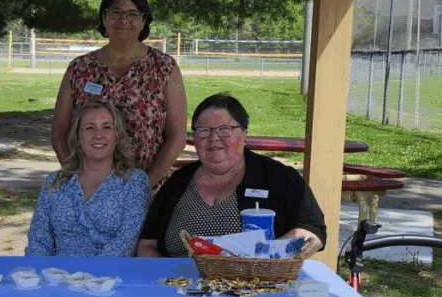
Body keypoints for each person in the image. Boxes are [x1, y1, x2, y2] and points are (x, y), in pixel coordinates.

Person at [137, 93, 326, 259]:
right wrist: (164, 278)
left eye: (225, 129)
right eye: (203, 131)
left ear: (244, 135)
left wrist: (268, 259)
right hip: (179, 284)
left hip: (255, 283)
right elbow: (147, 244)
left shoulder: (278, 177)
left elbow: (312, 232)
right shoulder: (178, 182)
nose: (214, 138)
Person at [51, 0, 186, 189]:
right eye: (116, 12)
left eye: (133, 14)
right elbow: (59, 135)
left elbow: (177, 138)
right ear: (104, 17)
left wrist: (141, 188)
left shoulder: (164, 68)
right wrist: (81, 182)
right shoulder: (78, 69)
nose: (124, 20)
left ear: (143, 21)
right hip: (90, 191)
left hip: (149, 191)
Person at [26, 100, 150, 257]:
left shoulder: (134, 182)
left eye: (107, 127)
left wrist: (87, 271)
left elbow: (126, 242)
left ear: (117, 136)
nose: (98, 135)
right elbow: (38, 240)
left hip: (111, 270)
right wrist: (38, 268)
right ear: (78, 138)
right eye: (90, 128)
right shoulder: (55, 182)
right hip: (59, 270)